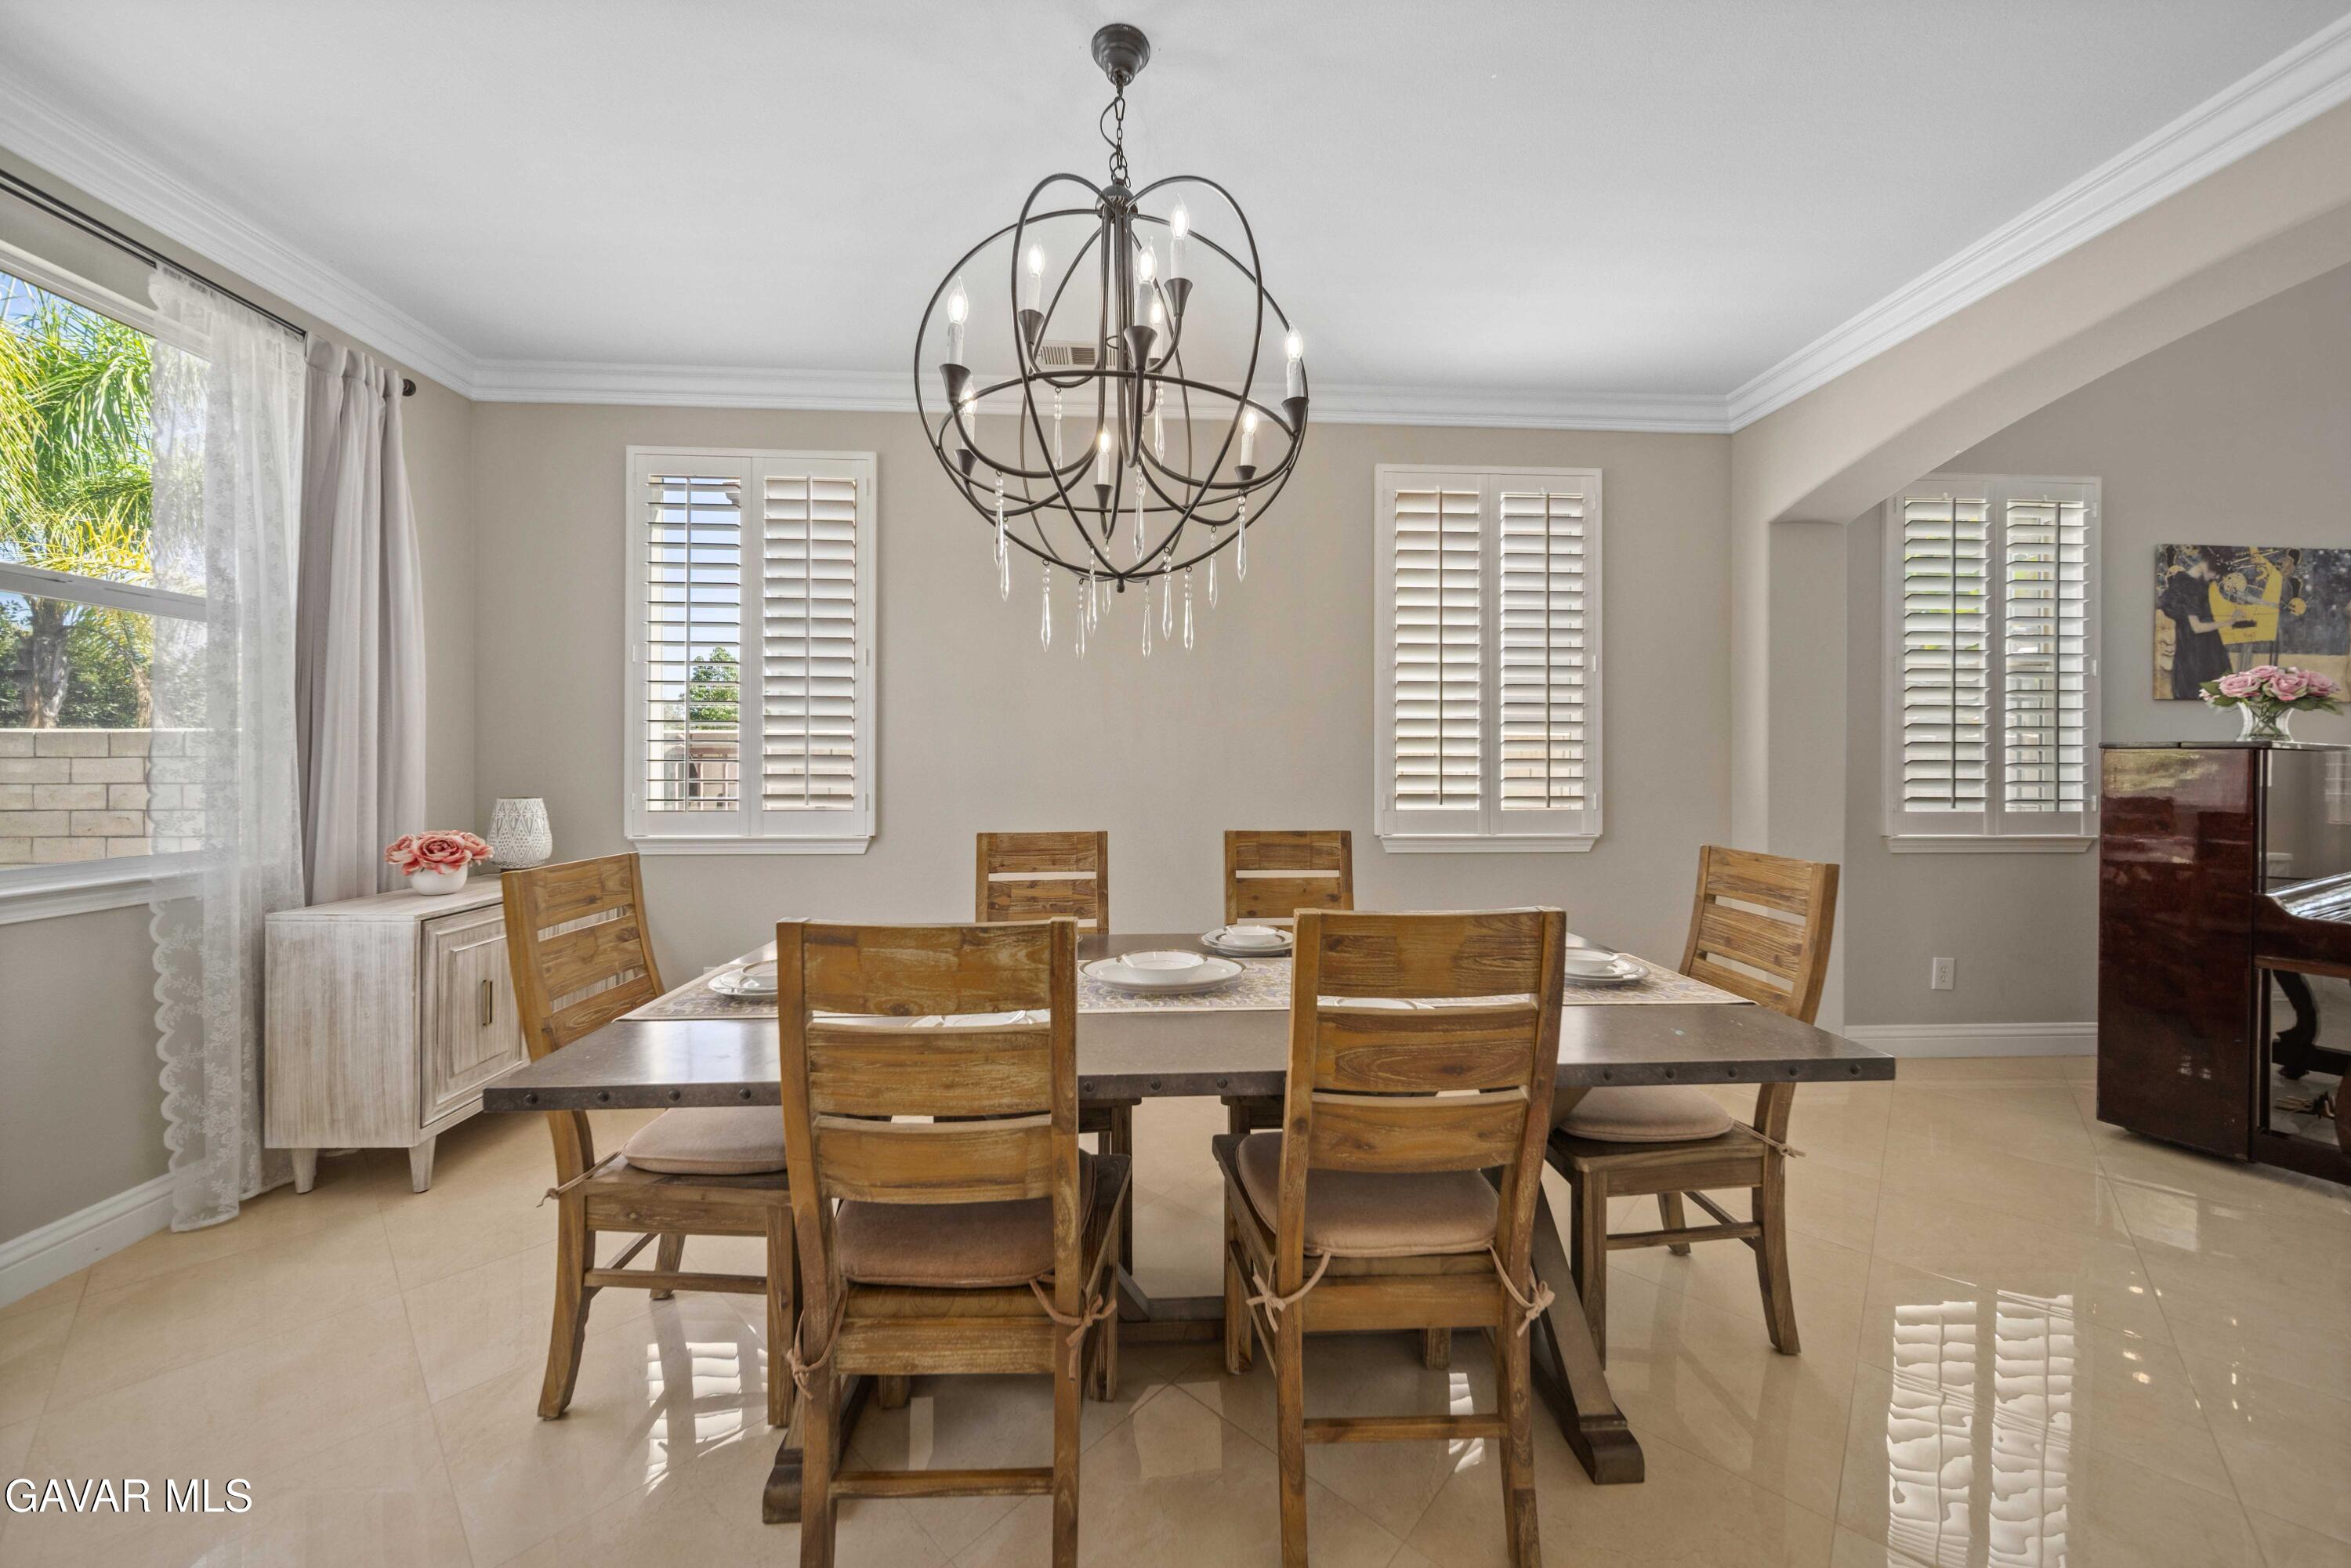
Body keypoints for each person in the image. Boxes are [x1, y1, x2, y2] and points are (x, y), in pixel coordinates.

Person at [2160, 548, 2232, 699]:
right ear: (2211, 566)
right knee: (2206, 691)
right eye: (2217, 572)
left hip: (2190, 646)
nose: (2217, 577)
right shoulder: (2191, 587)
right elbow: (2197, 628)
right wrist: (2228, 622)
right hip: (2198, 649)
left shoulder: (2183, 580)